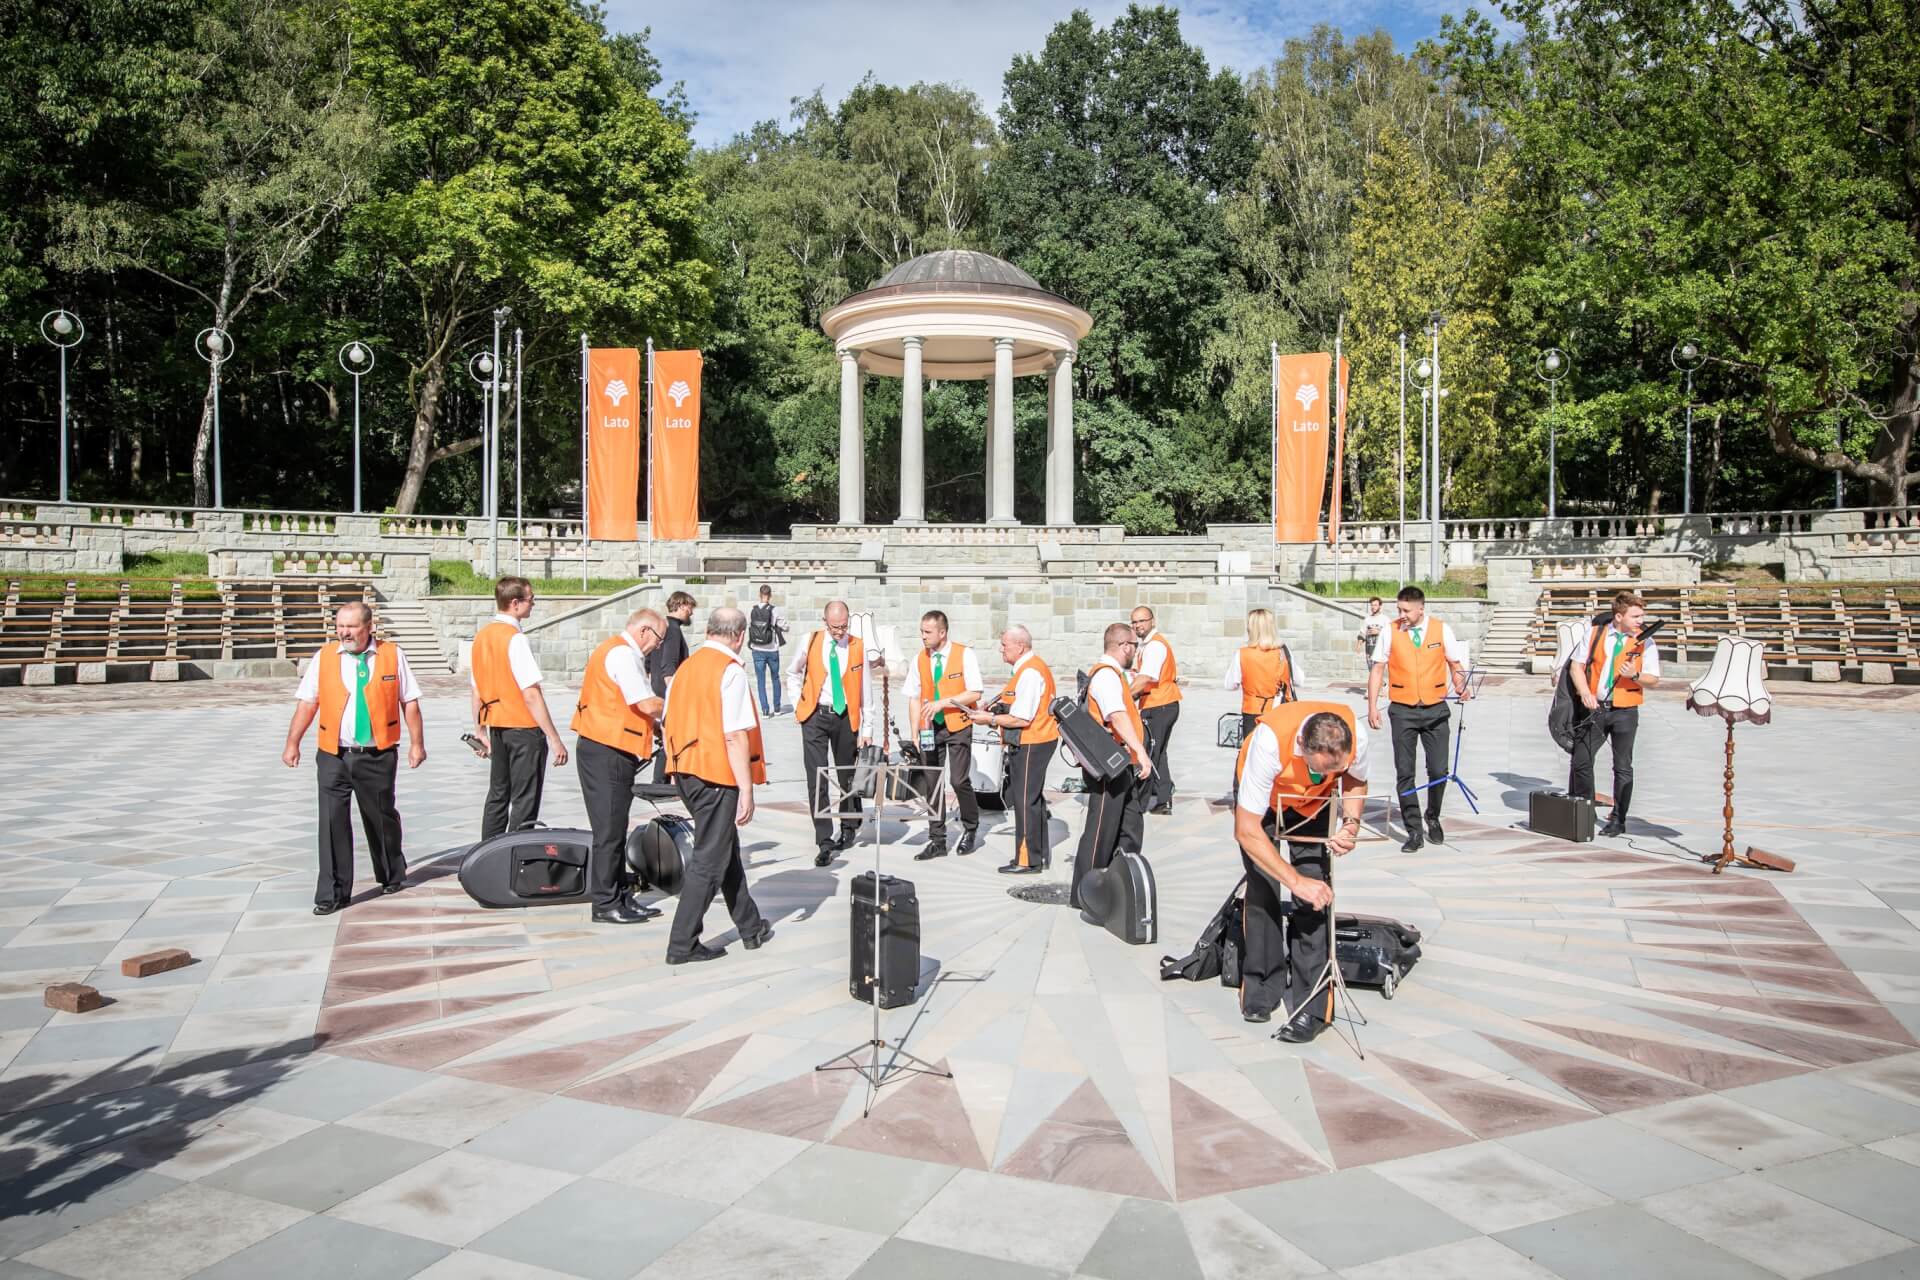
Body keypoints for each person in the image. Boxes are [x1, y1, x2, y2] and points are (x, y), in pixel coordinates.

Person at [1233, 702, 1368, 1040]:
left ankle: (1313, 1005)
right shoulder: (1269, 743)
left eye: (1332, 770)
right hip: (1264, 801)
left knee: (1316, 893)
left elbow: (1355, 779)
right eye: (1318, 769)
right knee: (1263, 886)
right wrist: (1294, 881)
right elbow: (1246, 829)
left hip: (1314, 804)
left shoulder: (1357, 736)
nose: (1326, 776)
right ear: (1303, 749)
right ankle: (1261, 987)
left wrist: (1350, 825)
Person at [282, 601, 424, 915]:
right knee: (332, 822)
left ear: (369, 627)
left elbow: (410, 702)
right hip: (334, 753)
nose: (345, 632)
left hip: (377, 754)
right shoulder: (325, 658)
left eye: (352, 627)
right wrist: (292, 742)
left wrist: (417, 744)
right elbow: (308, 702)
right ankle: (332, 894)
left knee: (380, 816)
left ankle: (390, 873)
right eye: (340, 626)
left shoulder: (392, 655)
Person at [663, 607, 773, 964]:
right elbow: (735, 735)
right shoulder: (729, 671)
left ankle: (750, 926)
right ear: (739, 636)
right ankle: (682, 942)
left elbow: (666, 721)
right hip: (715, 774)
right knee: (709, 859)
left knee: (724, 848)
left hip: (686, 770)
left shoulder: (687, 668)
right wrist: (747, 789)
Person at [572, 608, 669, 925]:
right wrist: (678, 705)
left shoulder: (619, 651)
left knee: (614, 828)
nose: (659, 646)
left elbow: (628, 705)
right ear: (645, 631)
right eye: (659, 639)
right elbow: (644, 702)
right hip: (606, 750)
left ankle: (618, 895)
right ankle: (605, 903)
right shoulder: (623, 654)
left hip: (609, 749)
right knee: (609, 832)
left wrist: (652, 727)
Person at [1366, 585, 1471, 852]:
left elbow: (1455, 665)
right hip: (1402, 710)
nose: (1401, 614)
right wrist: (1372, 706)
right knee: (1405, 772)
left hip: (1436, 709)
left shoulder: (1441, 629)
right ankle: (1413, 830)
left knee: (1439, 770)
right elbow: (1378, 669)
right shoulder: (1390, 630)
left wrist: (1462, 687)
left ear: (1420, 608)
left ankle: (1432, 815)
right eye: (1398, 609)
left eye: (1406, 610)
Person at [469, 576, 568, 840]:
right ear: (515, 603)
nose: (533, 603)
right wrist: (554, 738)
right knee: (525, 799)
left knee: (498, 794)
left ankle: (487, 852)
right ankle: (515, 856)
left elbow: (476, 688)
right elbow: (531, 693)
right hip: (523, 728)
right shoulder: (514, 639)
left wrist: (479, 729)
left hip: (497, 726)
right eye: (531, 599)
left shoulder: (482, 636)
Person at [1071, 623, 1154, 908]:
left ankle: (1118, 884)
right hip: (1110, 763)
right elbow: (1116, 716)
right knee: (1101, 829)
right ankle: (1085, 893)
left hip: (1120, 763)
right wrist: (1139, 750)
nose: (1136, 650)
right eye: (1134, 645)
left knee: (1130, 825)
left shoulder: (1113, 675)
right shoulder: (1106, 676)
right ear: (1124, 646)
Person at [1567, 591, 1661, 837]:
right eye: (1636, 616)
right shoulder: (1595, 633)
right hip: (1596, 708)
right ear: (1619, 616)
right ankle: (1586, 811)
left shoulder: (1646, 642)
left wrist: (1635, 676)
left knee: (1622, 766)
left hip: (1626, 711)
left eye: (1642, 615)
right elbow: (1576, 666)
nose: (1641, 620)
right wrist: (1585, 691)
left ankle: (1618, 819)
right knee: (1581, 761)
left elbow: (1654, 679)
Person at [787, 600, 873, 866]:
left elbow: (865, 688)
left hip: (846, 716)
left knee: (847, 776)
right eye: (835, 627)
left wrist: (867, 727)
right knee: (817, 779)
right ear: (825, 622)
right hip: (815, 715)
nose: (840, 632)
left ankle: (848, 828)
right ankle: (824, 840)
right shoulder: (810, 640)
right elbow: (792, 672)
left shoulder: (857, 646)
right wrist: (798, 704)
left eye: (844, 626)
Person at [969, 625, 1057, 875]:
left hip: (1032, 741)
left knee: (1024, 801)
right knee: (1033, 799)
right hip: (1037, 739)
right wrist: (994, 707)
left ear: (1020, 646)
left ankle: (1027, 860)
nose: (1001, 649)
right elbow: (1014, 701)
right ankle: (1039, 856)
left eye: (1005, 645)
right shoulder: (1028, 668)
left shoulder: (1029, 672)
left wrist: (989, 720)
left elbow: (1021, 718)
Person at [908, 609, 983, 859]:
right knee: (932, 782)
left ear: (942, 632)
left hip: (958, 723)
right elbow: (914, 696)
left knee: (959, 780)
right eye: (921, 631)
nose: (923, 636)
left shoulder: (964, 654)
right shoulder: (920, 658)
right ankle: (937, 840)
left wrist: (945, 702)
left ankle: (970, 828)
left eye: (927, 632)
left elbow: (975, 692)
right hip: (931, 728)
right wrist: (915, 731)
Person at [1221, 608, 1302, 802]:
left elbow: (1229, 683)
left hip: (1253, 710)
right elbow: (1299, 679)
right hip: (1280, 712)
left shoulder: (1243, 654)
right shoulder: (1283, 653)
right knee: (1278, 754)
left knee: (1248, 754)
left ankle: (1243, 794)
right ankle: (1277, 796)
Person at [1128, 606, 1181, 814]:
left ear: (1152, 620)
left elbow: (1145, 678)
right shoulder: (1147, 645)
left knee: (1148, 752)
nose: (1138, 625)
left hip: (1159, 704)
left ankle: (1140, 803)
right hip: (1162, 703)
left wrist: (1126, 697)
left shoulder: (1155, 646)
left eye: (1142, 620)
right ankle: (1163, 799)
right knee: (1158, 752)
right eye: (1134, 622)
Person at [747, 585, 788, 717]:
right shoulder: (775, 610)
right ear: (770, 595)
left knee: (761, 680)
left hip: (757, 649)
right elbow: (785, 626)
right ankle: (776, 709)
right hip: (771, 649)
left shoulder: (752, 610)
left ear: (760, 594)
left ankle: (765, 710)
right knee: (775, 678)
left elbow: (749, 626)